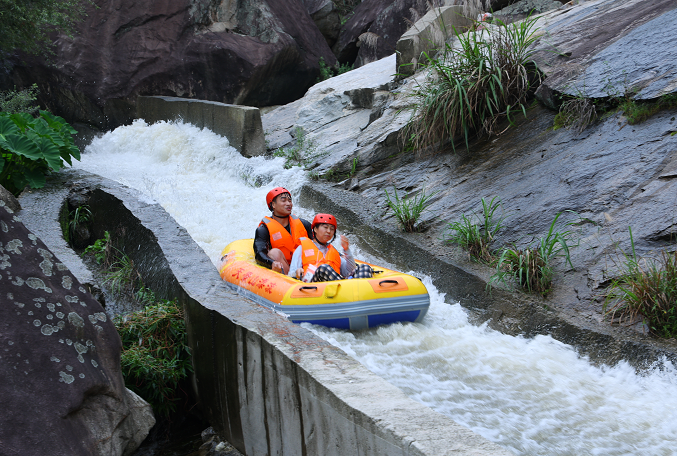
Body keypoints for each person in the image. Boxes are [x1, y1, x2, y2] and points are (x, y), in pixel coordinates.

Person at [289, 213, 373, 282]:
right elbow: (291, 274)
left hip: (337, 287)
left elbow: (349, 271)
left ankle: (351, 291)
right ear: (315, 229)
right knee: (324, 268)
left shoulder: (333, 252)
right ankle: (346, 289)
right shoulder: (302, 248)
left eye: (332, 229)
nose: (329, 231)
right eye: (325, 227)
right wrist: (297, 272)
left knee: (365, 268)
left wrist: (346, 250)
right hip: (313, 287)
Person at [254, 187, 313, 274]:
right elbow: (259, 253)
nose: (288, 203)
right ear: (273, 205)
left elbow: (319, 244)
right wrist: (272, 263)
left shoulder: (303, 224)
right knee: (274, 253)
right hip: (285, 270)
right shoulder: (264, 229)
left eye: (289, 200)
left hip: (305, 267)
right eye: (283, 200)